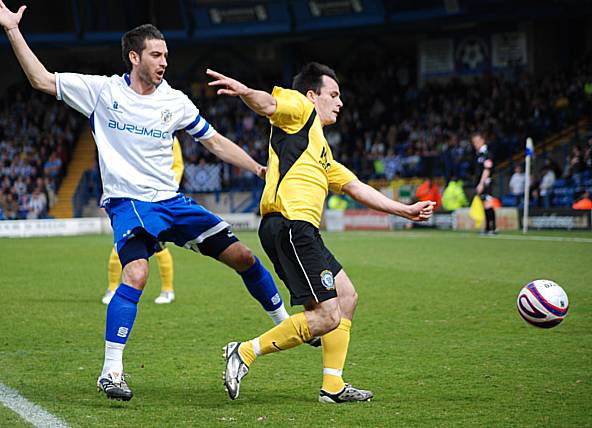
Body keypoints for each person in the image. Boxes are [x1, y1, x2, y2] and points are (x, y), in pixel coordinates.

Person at [0, 1, 295, 402]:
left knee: (244, 258)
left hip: (172, 201)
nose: (164, 61)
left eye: (166, 54)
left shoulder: (176, 101)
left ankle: (285, 325)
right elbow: (41, 79)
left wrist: (258, 169)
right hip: (129, 202)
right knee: (135, 274)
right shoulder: (102, 92)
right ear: (134, 57)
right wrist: (12, 29)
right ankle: (111, 371)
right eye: (156, 54)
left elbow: (214, 141)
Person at [207, 63, 434, 403]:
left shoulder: (321, 151)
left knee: (347, 298)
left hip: (299, 230)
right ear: (312, 95)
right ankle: (244, 352)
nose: (340, 102)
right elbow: (269, 105)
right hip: (291, 225)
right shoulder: (301, 109)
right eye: (333, 94)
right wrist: (245, 92)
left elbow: (356, 187)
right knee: (327, 316)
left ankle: (333, 387)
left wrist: (404, 210)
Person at [101, 137, 184, 305]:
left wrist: (165, 189)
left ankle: (168, 290)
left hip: (158, 200)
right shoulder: (132, 132)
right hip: (132, 199)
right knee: (121, 244)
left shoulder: (169, 137)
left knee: (160, 247)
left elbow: (177, 166)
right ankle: (112, 289)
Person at [471, 132, 496, 234]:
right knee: (484, 204)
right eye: (474, 142)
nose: (475, 144)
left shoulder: (487, 154)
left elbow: (487, 170)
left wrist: (481, 183)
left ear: (482, 141)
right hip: (481, 183)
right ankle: (487, 228)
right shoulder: (479, 154)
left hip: (486, 183)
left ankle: (493, 228)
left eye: (477, 142)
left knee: (487, 204)